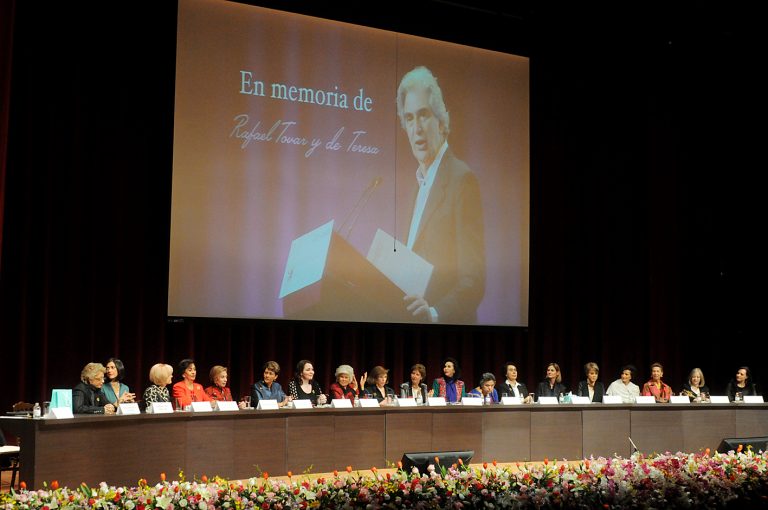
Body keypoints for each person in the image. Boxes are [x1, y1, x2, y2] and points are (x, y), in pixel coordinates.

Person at [397, 66, 486, 324]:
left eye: (423, 115)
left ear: (441, 120)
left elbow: (473, 280)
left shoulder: (461, 180)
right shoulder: (418, 185)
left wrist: (434, 313)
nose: (417, 128)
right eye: (409, 119)